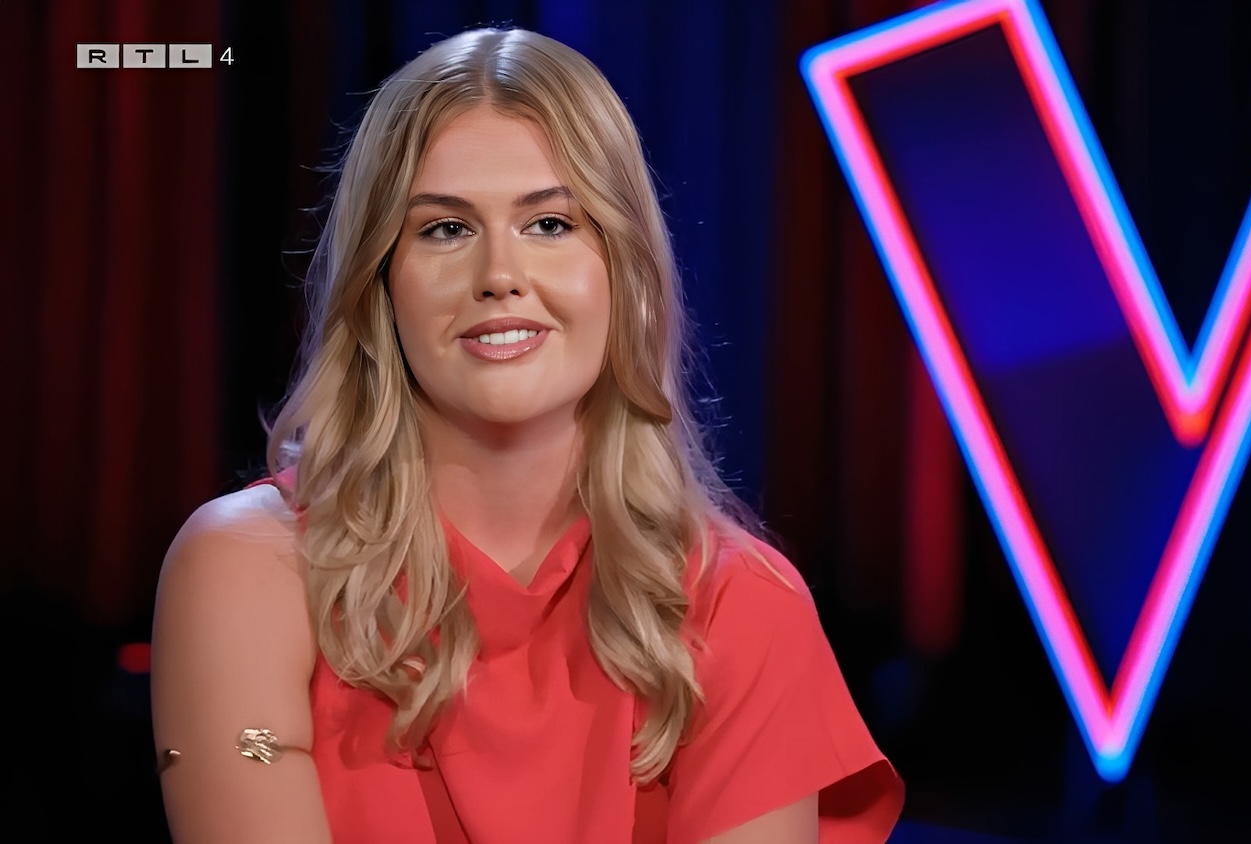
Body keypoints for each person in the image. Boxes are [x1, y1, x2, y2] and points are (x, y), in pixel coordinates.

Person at [150, 25, 903, 844]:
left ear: (624, 271)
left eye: (549, 223)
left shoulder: (745, 604)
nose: (500, 275)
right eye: (445, 229)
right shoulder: (248, 570)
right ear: (380, 284)